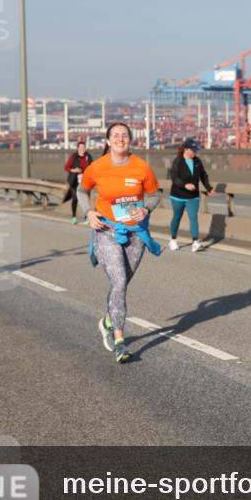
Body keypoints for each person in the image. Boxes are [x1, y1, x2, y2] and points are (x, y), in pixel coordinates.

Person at [77, 123, 162, 363]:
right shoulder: (97, 167)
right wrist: (89, 212)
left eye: (124, 135)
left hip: (136, 233)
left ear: (130, 140)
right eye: (115, 135)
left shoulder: (142, 167)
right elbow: (82, 191)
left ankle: (107, 321)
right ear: (107, 140)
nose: (120, 139)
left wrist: (146, 209)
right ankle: (119, 342)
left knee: (122, 284)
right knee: (119, 280)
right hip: (107, 230)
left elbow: (155, 195)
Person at [168, 137, 214, 252]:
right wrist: (185, 185)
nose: (195, 152)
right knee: (177, 217)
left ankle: (195, 242)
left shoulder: (197, 161)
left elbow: (203, 176)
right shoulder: (178, 161)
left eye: (196, 150)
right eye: (193, 150)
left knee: (193, 217)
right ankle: (173, 240)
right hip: (178, 195)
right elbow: (174, 177)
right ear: (186, 149)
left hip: (193, 196)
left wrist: (209, 188)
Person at [61, 141, 94, 224]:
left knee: (85, 198)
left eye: (84, 147)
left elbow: (93, 167)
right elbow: (66, 167)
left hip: (85, 180)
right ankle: (74, 217)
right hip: (75, 180)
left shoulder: (88, 156)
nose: (82, 149)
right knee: (75, 198)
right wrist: (74, 170)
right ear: (78, 148)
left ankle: (86, 217)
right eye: (81, 147)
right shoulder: (74, 156)